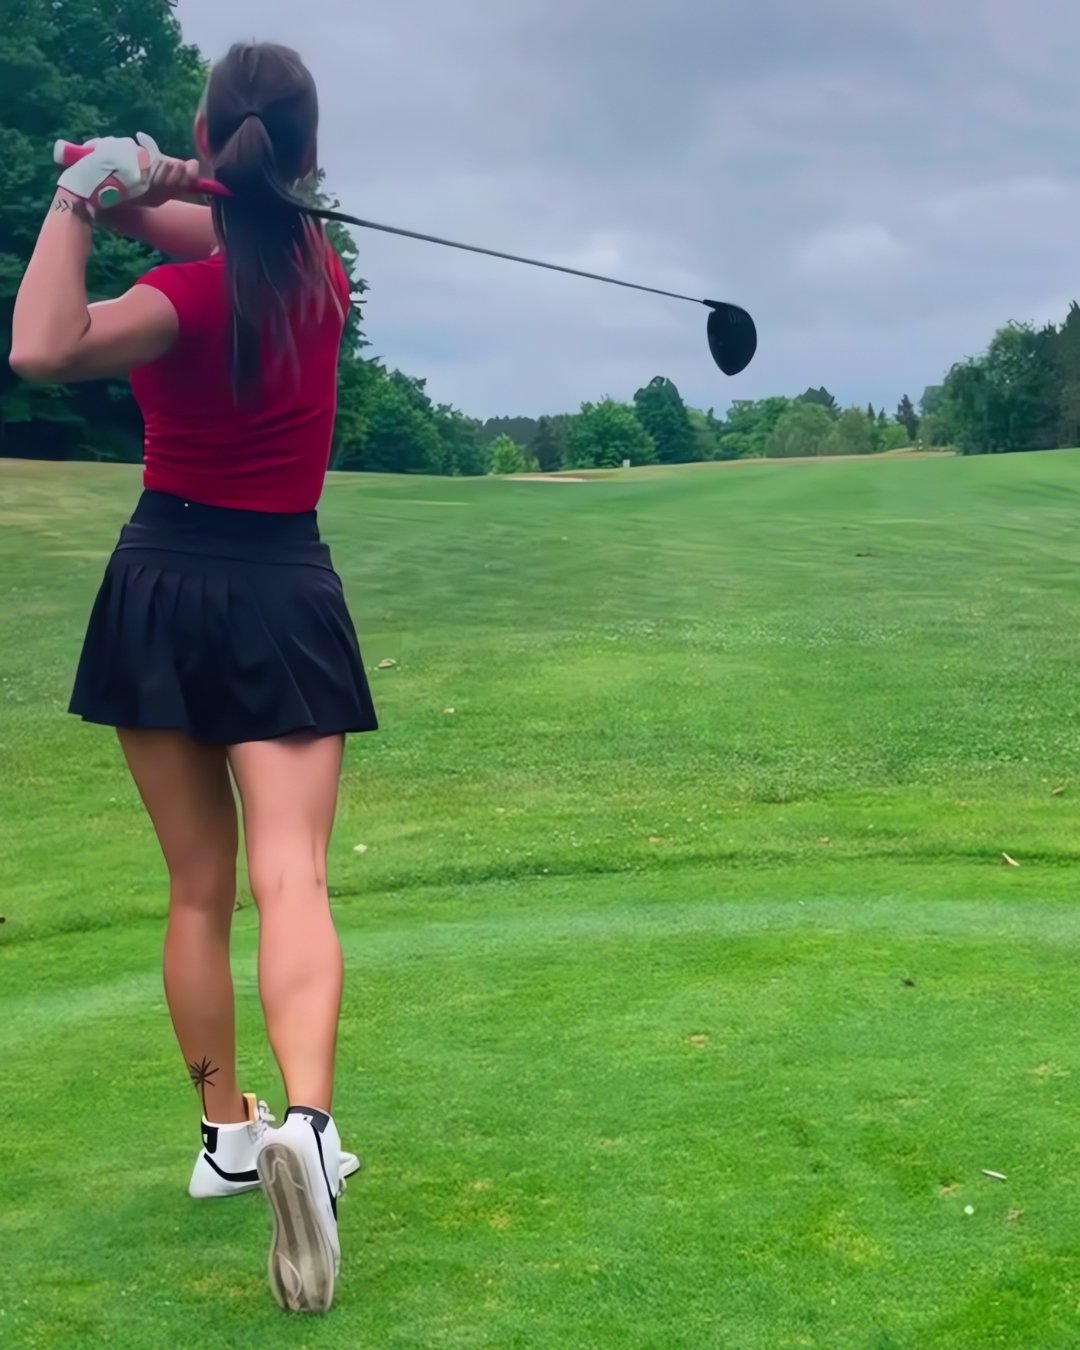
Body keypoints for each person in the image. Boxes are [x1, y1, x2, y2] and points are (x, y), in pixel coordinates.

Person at [9, 42, 376, 1316]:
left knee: (199, 890)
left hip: (162, 585)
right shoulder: (317, 280)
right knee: (294, 876)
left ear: (209, 139)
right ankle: (312, 1131)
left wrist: (78, 197)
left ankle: (228, 1138)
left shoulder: (180, 299)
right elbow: (227, 213)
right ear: (305, 159)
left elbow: (44, 345)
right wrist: (141, 176)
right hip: (284, 590)